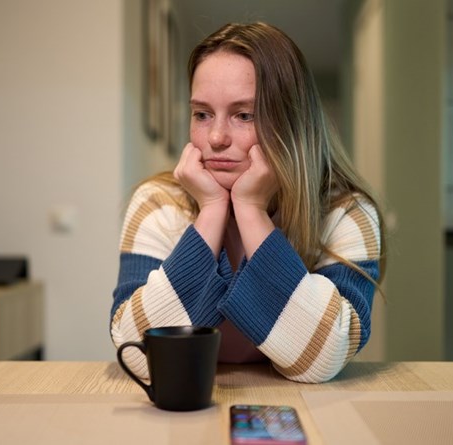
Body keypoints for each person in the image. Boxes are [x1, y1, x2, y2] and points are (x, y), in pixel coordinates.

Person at [111, 22, 385, 383]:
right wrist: (210, 211)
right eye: (202, 114)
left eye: (244, 115)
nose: (216, 137)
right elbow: (140, 356)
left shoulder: (346, 213)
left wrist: (252, 211)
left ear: (291, 123)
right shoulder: (157, 203)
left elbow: (323, 359)